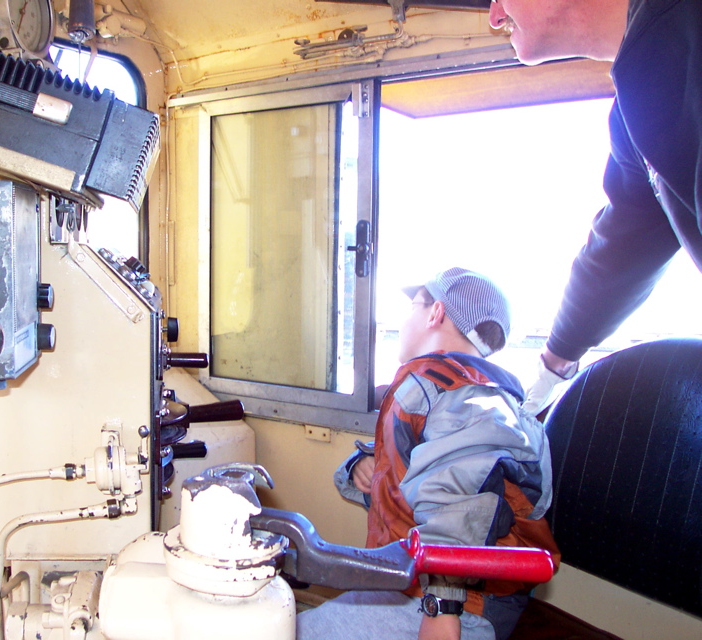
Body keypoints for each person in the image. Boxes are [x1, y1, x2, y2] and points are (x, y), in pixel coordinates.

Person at [296, 268, 559, 640]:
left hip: (458, 604)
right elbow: (416, 468)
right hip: (408, 583)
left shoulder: (464, 397)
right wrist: (360, 465)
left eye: (412, 307)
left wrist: (442, 608)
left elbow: (460, 504)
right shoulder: (448, 393)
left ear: (435, 312)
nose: (404, 320)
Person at [486, 0, 702, 413]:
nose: (495, 16)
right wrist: (553, 365)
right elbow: (624, 245)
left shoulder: (682, 23)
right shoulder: (638, 94)